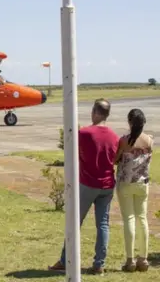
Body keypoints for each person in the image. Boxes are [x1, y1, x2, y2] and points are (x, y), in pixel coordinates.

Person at [49, 99, 120, 275]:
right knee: (103, 224)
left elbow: (71, 151)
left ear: (95, 112)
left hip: (88, 184)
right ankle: (99, 264)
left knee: (74, 222)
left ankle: (66, 260)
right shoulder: (114, 136)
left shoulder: (84, 133)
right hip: (107, 185)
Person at [115, 108, 152, 272]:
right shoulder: (149, 140)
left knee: (129, 219)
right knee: (142, 218)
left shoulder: (123, 140)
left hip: (125, 183)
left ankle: (130, 260)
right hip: (142, 183)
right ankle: (143, 258)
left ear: (129, 122)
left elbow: (115, 160)